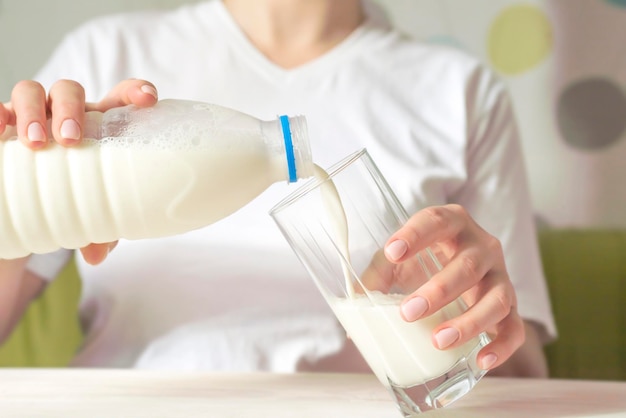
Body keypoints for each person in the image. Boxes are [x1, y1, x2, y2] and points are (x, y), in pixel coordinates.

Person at [0, 0, 556, 377]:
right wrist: (25, 203)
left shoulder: (458, 90)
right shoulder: (105, 54)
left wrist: (472, 320)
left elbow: (526, 374)